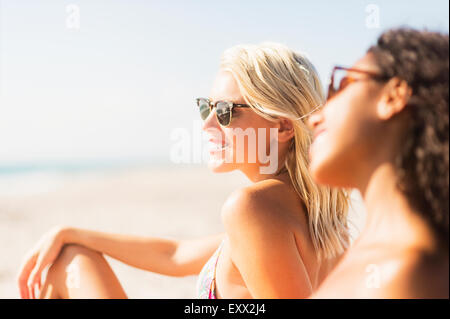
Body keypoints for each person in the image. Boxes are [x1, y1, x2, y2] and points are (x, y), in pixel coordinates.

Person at [18, 43, 349, 299]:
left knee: (66, 263)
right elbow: (174, 256)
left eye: (224, 111)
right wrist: (72, 232)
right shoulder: (323, 219)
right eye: (206, 107)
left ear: (282, 127)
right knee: (71, 252)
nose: (206, 123)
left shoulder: (253, 208)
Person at [308, 28, 449, 298]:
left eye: (342, 85)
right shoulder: (371, 253)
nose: (314, 118)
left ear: (394, 95)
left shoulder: (406, 275)